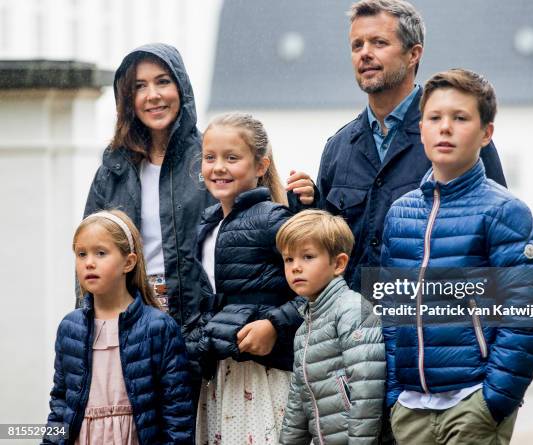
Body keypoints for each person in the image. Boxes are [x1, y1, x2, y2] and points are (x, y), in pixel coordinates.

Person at [380, 69, 533, 444]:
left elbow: (528, 316)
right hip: (411, 410)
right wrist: (395, 394)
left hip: (471, 405)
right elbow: (390, 313)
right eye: (435, 118)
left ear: (486, 133)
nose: (445, 128)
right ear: (420, 128)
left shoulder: (505, 211)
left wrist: (492, 401)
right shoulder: (400, 214)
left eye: (460, 118)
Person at [290, 0, 507, 292]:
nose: (365, 53)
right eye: (357, 45)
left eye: (379, 43)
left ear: (413, 54)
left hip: (429, 329)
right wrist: (308, 208)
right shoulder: (338, 149)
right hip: (354, 332)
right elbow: (326, 258)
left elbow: (498, 244)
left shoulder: (455, 140)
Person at [186, 113, 305, 444]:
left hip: (265, 375)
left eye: (232, 158)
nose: (218, 167)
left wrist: (274, 326)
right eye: (210, 158)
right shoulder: (206, 227)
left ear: (261, 166)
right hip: (219, 376)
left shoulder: (273, 219)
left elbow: (317, 290)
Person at [83, 43, 216, 334]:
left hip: (201, 322)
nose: (153, 95)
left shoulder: (211, 159)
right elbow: (90, 254)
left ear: (181, 87)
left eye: (163, 82)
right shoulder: (113, 171)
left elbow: (249, 232)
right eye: (140, 86)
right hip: (130, 324)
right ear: (128, 100)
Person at [43, 210, 194, 444]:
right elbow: (60, 402)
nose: (89, 262)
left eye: (101, 253)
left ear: (129, 262)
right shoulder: (69, 327)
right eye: (81, 254)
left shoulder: (159, 327)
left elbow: (177, 411)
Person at [276, 209, 386, 445]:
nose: (295, 267)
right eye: (288, 259)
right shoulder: (304, 328)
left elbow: (367, 387)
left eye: (307, 257)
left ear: (338, 263)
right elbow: (297, 403)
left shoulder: (351, 308)